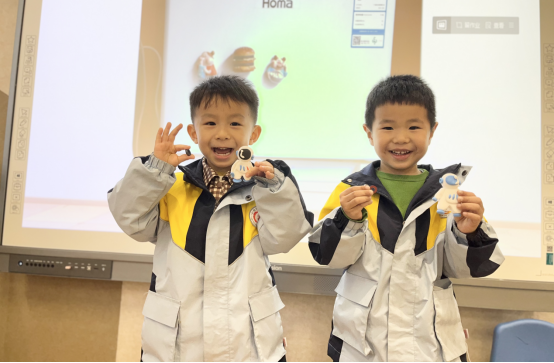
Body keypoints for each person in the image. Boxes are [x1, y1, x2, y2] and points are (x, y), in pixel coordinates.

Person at [108, 75, 313, 362]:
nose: (222, 133)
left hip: (247, 347)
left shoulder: (266, 189)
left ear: (253, 134)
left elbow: (284, 238)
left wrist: (275, 189)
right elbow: (131, 220)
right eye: (210, 123)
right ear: (193, 132)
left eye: (235, 123)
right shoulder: (169, 186)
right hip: (177, 347)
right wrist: (153, 171)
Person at [309, 75, 504, 362]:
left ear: (432, 130)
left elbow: (466, 267)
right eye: (388, 127)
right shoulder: (350, 190)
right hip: (363, 346)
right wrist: (347, 219)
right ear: (369, 132)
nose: (401, 138)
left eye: (414, 127)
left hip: (430, 346)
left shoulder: (447, 192)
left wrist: (469, 232)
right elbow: (327, 255)